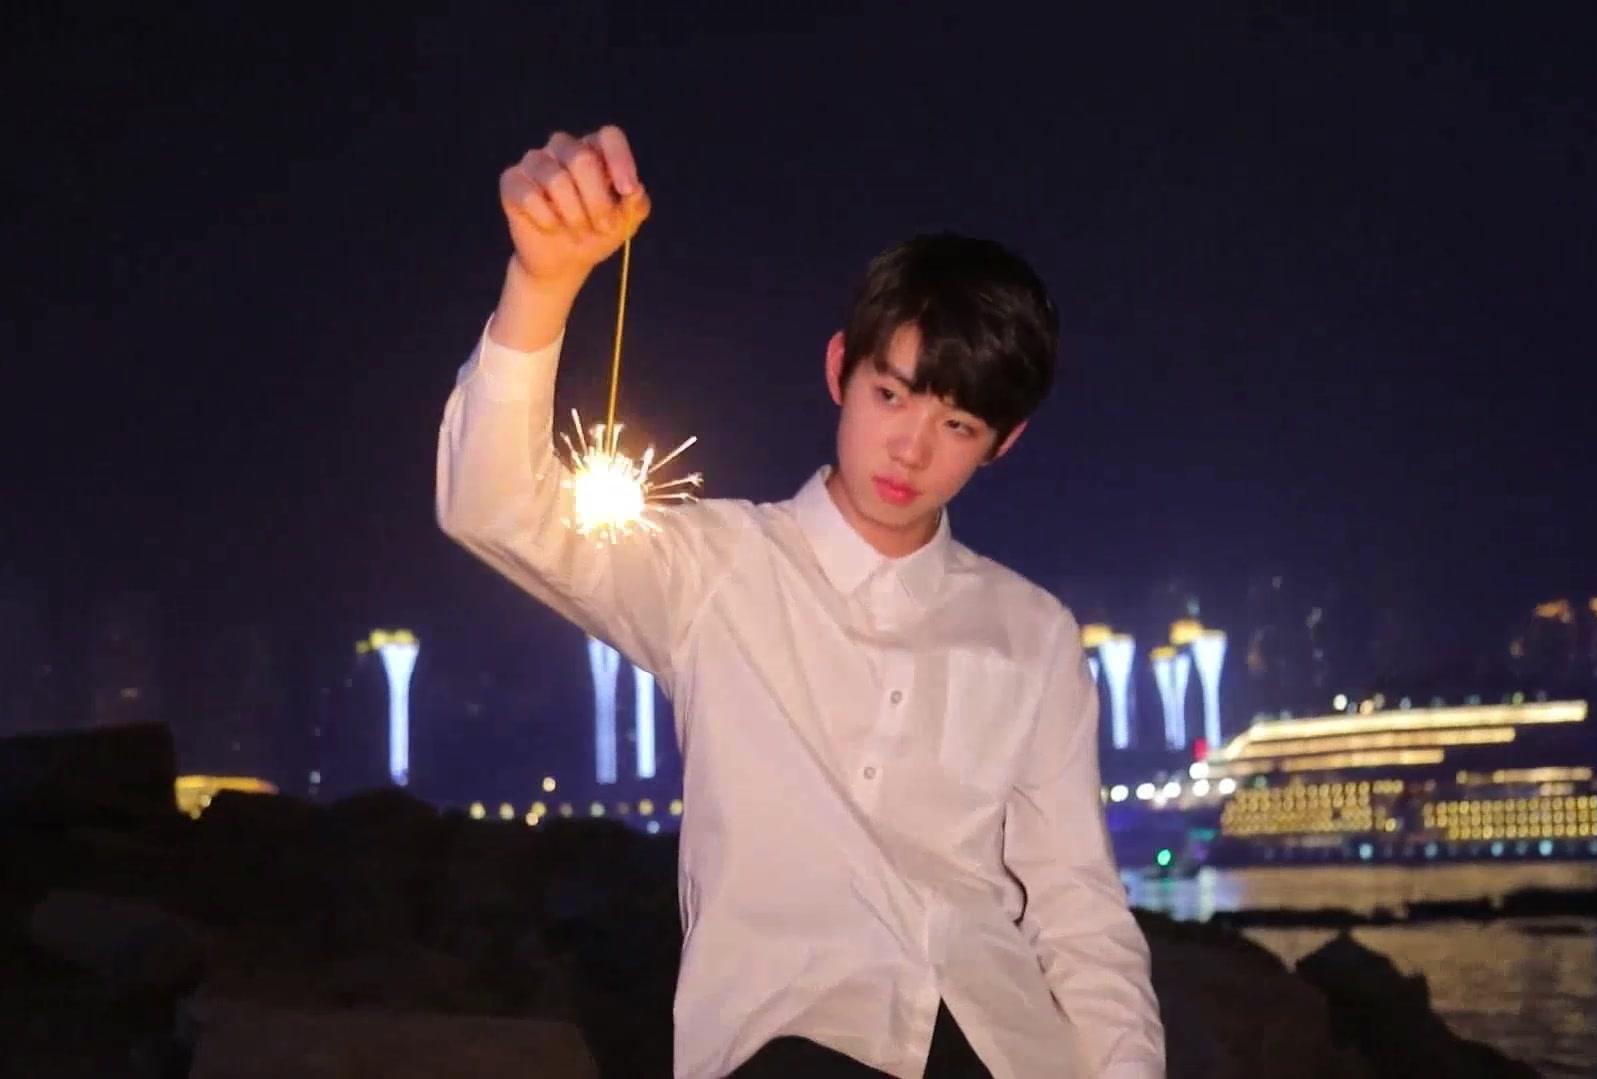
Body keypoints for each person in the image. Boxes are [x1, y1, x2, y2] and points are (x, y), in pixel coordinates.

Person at [436, 125, 1164, 1078]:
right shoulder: (715, 569)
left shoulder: (1033, 634)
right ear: (839, 369)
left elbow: (1078, 908)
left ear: (1003, 441)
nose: (911, 448)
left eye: (956, 423)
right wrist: (543, 284)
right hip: (791, 1036)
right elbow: (494, 508)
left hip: (1004, 1044)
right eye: (891, 395)